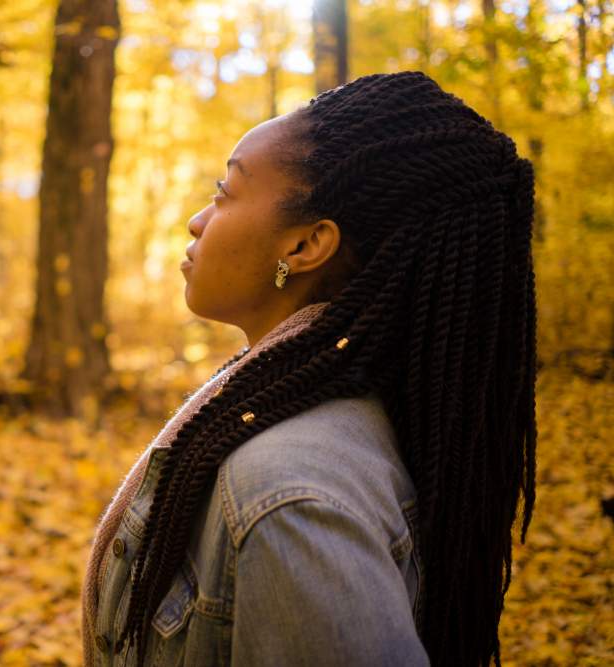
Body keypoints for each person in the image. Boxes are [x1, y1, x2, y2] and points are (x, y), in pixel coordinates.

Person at [81, 71, 538, 667]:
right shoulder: (306, 407)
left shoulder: (287, 491)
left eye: (224, 192)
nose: (198, 220)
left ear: (303, 247)